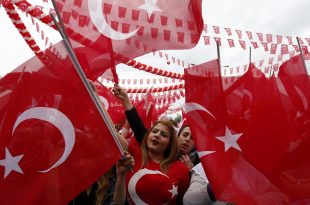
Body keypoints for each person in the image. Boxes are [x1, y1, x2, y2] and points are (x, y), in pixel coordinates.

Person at [112, 84, 190, 205]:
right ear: (147, 136)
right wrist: (95, 98)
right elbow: (109, 130)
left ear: (170, 143)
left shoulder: (182, 169)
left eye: (164, 135)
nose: (157, 135)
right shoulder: (131, 156)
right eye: (154, 131)